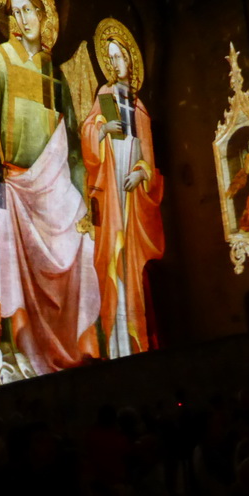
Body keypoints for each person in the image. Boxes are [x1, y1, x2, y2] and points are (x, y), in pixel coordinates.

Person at [0, 0, 100, 382]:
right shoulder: (0, 61)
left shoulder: (53, 73)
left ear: (44, 17)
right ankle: (13, 341)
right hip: (12, 185)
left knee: (82, 242)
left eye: (29, 11)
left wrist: (82, 198)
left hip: (53, 184)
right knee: (2, 240)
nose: (22, 20)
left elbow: (70, 139)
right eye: (14, 12)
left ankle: (80, 344)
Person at [81, 29, 165, 358]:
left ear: (130, 60)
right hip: (110, 188)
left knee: (130, 263)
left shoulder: (138, 106)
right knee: (112, 260)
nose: (116, 63)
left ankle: (136, 341)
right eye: (111, 58)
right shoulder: (106, 95)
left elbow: (148, 156)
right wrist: (102, 129)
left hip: (131, 191)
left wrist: (140, 173)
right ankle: (116, 347)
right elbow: (91, 133)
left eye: (120, 57)